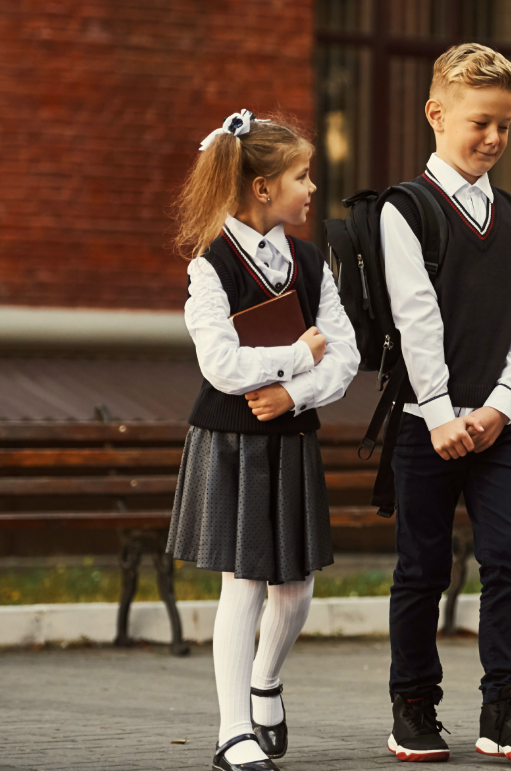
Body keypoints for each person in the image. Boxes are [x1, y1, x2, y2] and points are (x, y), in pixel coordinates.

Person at [166, 110, 361, 771]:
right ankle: (232, 734)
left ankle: (266, 682)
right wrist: (297, 357)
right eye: (302, 177)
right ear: (261, 188)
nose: (312, 189)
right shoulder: (209, 266)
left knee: (296, 589)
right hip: (233, 442)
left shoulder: (309, 261)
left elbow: (345, 354)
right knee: (244, 584)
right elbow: (219, 366)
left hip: (290, 433)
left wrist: (292, 390)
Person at [380, 44, 511, 763]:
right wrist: (446, 411)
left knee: (510, 559)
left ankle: (503, 707)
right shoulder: (405, 209)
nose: (493, 139)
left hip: (498, 425)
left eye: (505, 126)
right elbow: (416, 319)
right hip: (427, 425)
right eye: (481, 122)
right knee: (421, 568)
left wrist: (502, 405)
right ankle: (413, 709)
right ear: (436, 113)